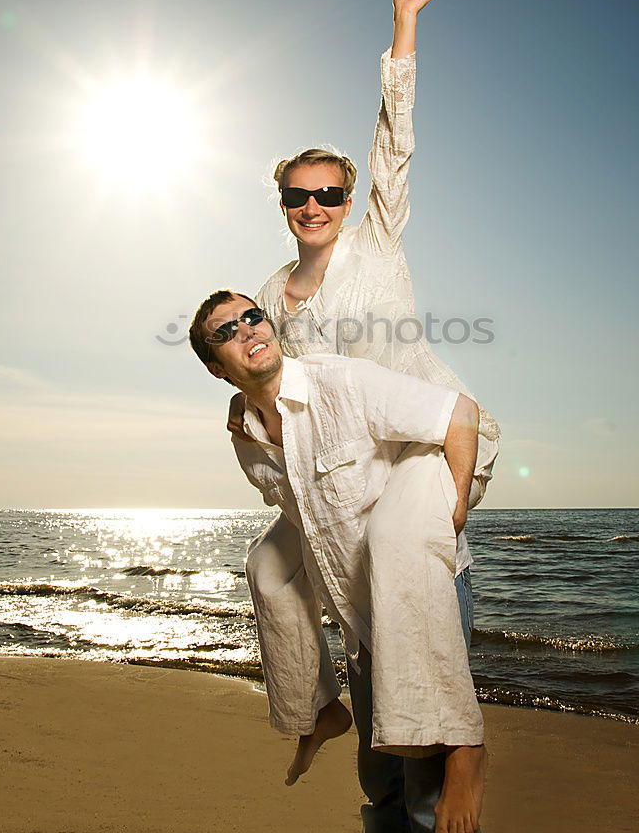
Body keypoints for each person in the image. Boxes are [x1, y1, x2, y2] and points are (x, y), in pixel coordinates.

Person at [225, 0, 499, 828]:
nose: (314, 205)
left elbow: (394, 142)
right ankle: (320, 711)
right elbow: (277, 379)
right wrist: (244, 401)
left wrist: (403, 26)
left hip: (424, 445)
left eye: (328, 193)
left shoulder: (376, 240)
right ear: (282, 205)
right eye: (297, 195)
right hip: (345, 473)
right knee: (271, 569)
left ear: (348, 203)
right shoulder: (271, 291)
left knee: (401, 574)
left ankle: (461, 756)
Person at [189, 291, 488, 833]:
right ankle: (318, 711)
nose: (249, 330)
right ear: (216, 368)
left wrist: (455, 507)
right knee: (381, 783)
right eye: (227, 331)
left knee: (426, 783)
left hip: (415, 583)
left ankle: (466, 748)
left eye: (253, 317)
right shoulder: (248, 438)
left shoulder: (341, 383)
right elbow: (306, 519)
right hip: (356, 608)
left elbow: (458, 411)